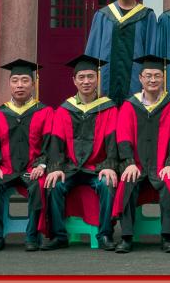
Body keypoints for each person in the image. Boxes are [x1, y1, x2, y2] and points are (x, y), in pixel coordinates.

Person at [41, 54, 118, 251]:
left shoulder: (108, 109)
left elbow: (113, 143)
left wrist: (109, 166)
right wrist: (56, 168)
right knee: (54, 184)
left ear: (97, 79)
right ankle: (59, 236)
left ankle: (105, 234)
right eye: (81, 77)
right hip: (70, 169)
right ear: (74, 81)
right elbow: (56, 144)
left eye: (90, 76)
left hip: (97, 168)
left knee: (108, 183)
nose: (86, 81)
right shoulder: (64, 110)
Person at [113, 55, 170, 253]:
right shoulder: (130, 105)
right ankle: (126, 236)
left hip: (163, 164)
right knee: (127, 181)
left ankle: (167, 236)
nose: (152, 80)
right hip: (137, 164)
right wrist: (129, 162)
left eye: (157, 75)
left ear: (163, 77)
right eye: (148, 76)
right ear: (140, 78)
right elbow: (123, 136)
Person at [0, 59, 52, 252]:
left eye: (25, 80)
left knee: (39, 186)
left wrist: (41, 165)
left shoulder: (45, 112)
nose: (20, 85)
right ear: (9, 84)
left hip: (32, 168)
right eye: (15, 80)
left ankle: (32, 236)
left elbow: (49, 144)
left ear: (33, 84)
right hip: (6, 168)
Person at [84, 0, 157, 104]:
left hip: (137, 85)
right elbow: (92, 52)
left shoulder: (147, 16)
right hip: (106, 84)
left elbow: (152, 52)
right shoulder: (102, 15)